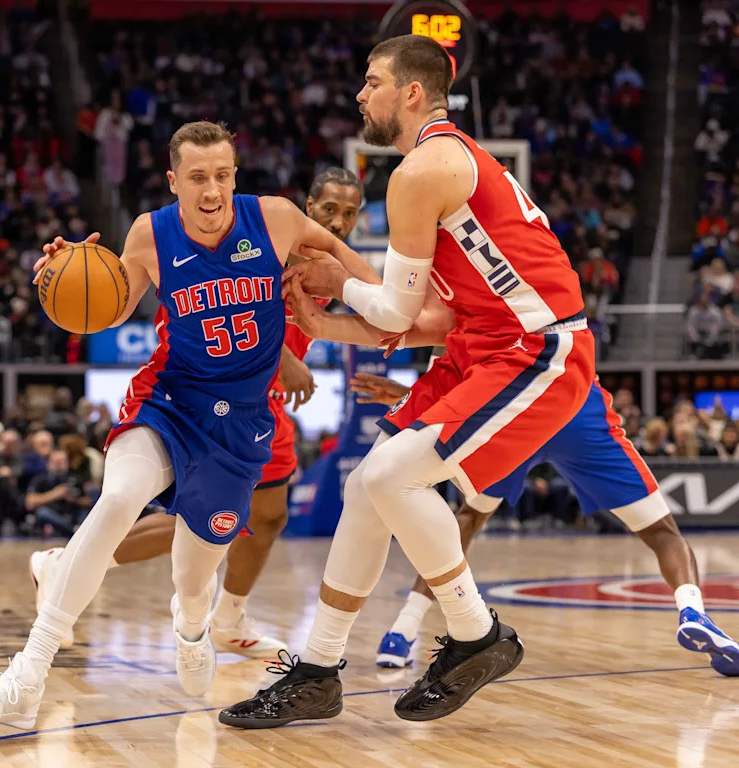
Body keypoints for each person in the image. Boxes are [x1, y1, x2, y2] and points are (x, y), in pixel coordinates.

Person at [220, 35, 596, 729]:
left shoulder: (422, 170)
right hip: (479, 344)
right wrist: (323, 322)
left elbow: (393, 312)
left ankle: (477, 634)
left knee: (393, 478)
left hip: (538, 348)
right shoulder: (444, 166)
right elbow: (430, 321)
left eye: (372, 81)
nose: (360, 94)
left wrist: (338, 278)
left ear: (412, 92)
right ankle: (318, 671)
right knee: (366, 487)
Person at [0, 121, 374, 729]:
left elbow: (350, 265)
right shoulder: (150, 232)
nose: (212, 190)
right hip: (169, 399)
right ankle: (26, 677)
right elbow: (111, 308)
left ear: (235, 175)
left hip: (240, 425)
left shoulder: (276, 218)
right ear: (174, 182)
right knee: (120, 497)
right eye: (198, 178)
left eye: (222, 175)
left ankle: (193, 624)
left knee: (194, 576)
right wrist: (67, 277)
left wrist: (387, 300)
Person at [29, 167, 364, 657]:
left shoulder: (326, 264)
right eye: (329, 209)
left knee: (268, 515)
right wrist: (285, 360)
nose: (337, 221)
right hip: (205, 392)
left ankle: (229, 617)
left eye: (349, 213)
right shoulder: (267, 236)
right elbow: (223, 302)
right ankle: (65, 566)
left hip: (259, 401)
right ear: (308, 208)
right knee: (203, 519)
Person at [348, 361, 739, 675]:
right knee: (661, 531)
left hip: (519, 406)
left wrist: (414, 394)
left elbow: (463, 356)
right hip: (575, 402)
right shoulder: (552, 296)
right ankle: (693, 611)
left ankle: (403, 630)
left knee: (469, 517)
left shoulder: (473, 296)